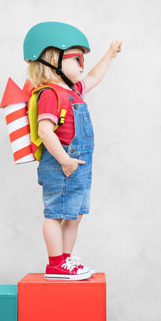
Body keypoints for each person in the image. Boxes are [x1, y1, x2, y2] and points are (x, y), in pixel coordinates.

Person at [23, 21, 122, 280]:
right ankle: (55, 263)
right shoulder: (50, 94)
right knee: (56, 213)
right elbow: (45, 131)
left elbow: (94, 78)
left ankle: (65, 260)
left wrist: (109, 55)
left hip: (77, 164)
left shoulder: (74, 91)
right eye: (76, 58)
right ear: (53, 61)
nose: (82, 65)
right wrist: (65, 159)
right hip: (61, 163)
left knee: (75, 215)